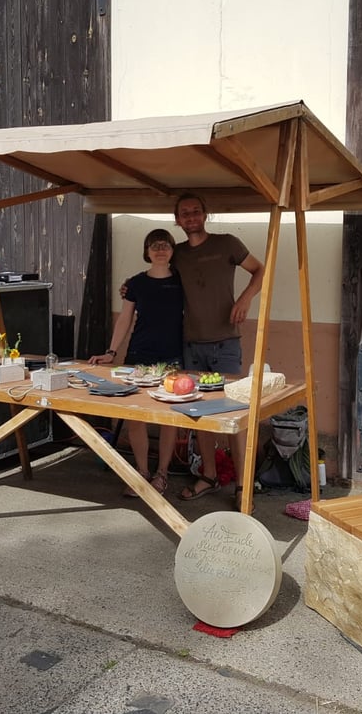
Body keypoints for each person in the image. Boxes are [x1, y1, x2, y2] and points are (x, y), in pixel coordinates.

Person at [170, 192, 264, 501]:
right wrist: (130, 288)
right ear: (178, 220)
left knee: (234, 413)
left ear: (205, 214)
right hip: (191, 344)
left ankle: (241, 484)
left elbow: (259, 270)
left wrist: (245, 299)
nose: (191, 217)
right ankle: (209, 475)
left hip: (225, 343)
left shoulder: (227, 243)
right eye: (185, 213)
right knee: (200, 413)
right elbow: (159, 282)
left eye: (196, 211)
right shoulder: (176, 253)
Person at [89, 228, 184, 497]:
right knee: (136, 417)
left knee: (169, 419)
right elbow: (125, 319)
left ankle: (162, 474)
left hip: (172, 358)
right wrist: (111, 351)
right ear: (147, 251)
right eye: (154, 245)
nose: (160, 249)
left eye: (165, 245)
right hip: (138, 358)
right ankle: (141, 473)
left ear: (173, 250)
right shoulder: (136, 284)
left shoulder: (182, 281)